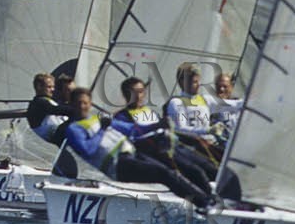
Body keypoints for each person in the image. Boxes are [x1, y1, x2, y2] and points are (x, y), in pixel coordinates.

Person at [60, 87, 210, 207]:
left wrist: (158, 125)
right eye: (78, 103)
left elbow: (133, 129)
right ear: (72, 104)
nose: (82, 106)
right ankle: (204, 204)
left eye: (85, 103)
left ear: (90, 103)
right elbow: (88, 150)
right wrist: (101, 130)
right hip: (118, 166)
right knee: (165, 175)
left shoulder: (98, 119)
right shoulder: (73, 129)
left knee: (178, 170)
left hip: (132, 154)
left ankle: (209, 198)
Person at [110, 76, 213, 195]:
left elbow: (169, 131)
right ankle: (207, 200)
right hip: (152, 154)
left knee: (207, 167)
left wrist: (195, 139)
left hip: (171, 147)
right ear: (126, 94)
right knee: (195, 172)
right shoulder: (122, 117)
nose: (138, 96)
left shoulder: (150, 112)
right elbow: (134, 134)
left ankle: (220, 197)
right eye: (133, 93)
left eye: (141, 92)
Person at [27, 72, 68, 142]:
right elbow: (54, 110)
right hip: (56, 137)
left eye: (53, 87)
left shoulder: (47, 100)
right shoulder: (38, 102)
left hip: (63, 134)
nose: (53, 89)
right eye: (49, 87)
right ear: (39, 86)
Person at [209, 73, 243, 141]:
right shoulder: (209, 105)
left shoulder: (240, 106)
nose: (221, 89)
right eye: (218, 86)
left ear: (231, 87)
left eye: (225, 86)